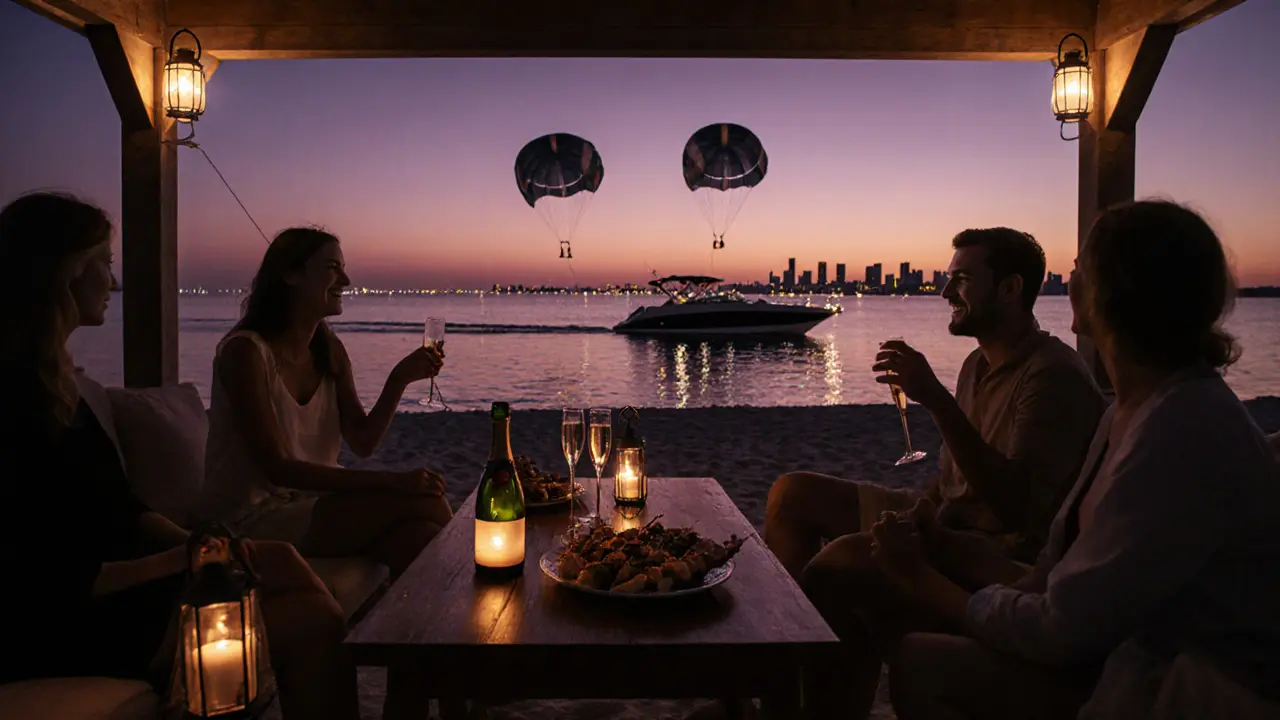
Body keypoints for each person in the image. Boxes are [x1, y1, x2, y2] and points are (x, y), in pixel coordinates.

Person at [879, 200, 1280, 719]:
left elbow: (1061, 628)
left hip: (1187, 683)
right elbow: (1056, 569)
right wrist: (947, 548)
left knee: (920, 661)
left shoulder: (1180, 432)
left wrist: (924, 583)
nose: (1068, 281)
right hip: (1124, 651)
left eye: (1080, 269)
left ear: (1116, 294)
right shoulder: (1132, 410)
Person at [0, 192, 359, 720]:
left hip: (121, 588)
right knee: (310, 618)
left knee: (285, 574)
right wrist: (178, 563)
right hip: (65, 620)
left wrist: (197, 542)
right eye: (105, 265)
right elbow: (49, 576)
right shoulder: (16, 402)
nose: (114, 283)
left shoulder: (58, 389)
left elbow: (122, 508)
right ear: (64, 273)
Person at [763, 227, 1106, 719]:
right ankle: (778, 670)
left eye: (962, 279)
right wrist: (923, 511)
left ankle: (815, 704)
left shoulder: (1051, 376)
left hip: (993, 547)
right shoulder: (975, 365)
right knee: (792, 493)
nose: (946, 293)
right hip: (947, 519)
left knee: (837, 566)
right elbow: (952, 480)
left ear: (1010, 289)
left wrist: (934, 398)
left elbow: (1013, 507)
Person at [200, 227, 452, 580]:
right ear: (291, 275)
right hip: (252, 517)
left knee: (420, 538)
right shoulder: (246, 352)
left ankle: (421, 628)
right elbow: (278, 469)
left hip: (313, 504)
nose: (346, 280)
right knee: (427, 501)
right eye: (333, 267)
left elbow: (362, 443)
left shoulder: (328, 349)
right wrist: (393, 481)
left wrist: (398, 379)